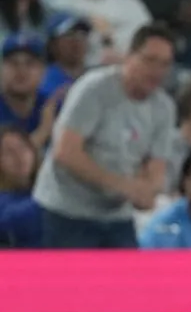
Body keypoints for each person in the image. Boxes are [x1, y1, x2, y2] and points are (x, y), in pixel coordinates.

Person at [34, 21, 176, 249]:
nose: (157, 71)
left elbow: (157, 163)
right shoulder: (94, 89)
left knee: (127, 283)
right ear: (129, 56)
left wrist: (149, 190)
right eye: (150, 60)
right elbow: (66, 152)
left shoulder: (164, 107)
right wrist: (123, 186)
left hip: (116, 214)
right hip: (67, 210)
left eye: (165, 64)